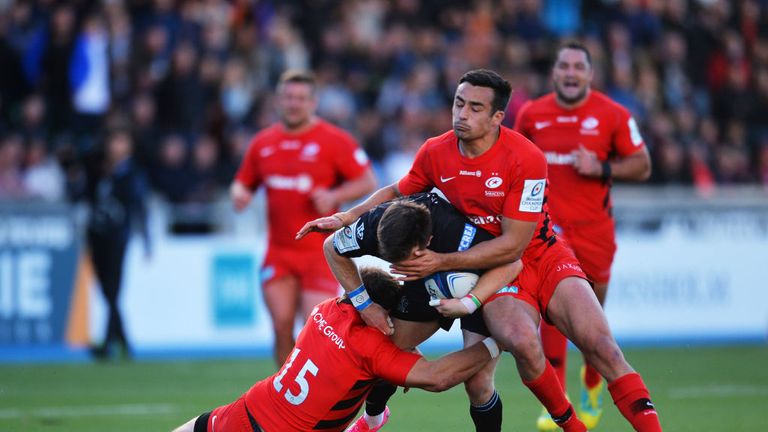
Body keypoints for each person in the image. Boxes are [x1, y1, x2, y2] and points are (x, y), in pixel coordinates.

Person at [299, 69, 661, 432]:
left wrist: (441, 262)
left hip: (534, 256)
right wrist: (347, 215)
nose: (462, 114)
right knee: (497, 343)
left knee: (602, 348)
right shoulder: (436, 151)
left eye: (475, 108)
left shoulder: (526, 157)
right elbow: (398, 191)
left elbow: (514, 247)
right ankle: (373, 419)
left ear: (497, 117)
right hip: (476, 265)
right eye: (459, 104)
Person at [172, 267, 502, 432]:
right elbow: (437, 378)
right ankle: (371, 421)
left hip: (247, 411)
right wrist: (496, 342)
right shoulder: (372, 348)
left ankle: (371, 420)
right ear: (382, 314)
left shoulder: (326, 309)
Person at [514, 42, 652, 431]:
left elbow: (642, 166)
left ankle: (592, 384)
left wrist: (602, 166)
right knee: (553, 319)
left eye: (579, 66)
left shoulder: (612, 115)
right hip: (548, 234)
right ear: (554, 73)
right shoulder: (531, 114)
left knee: (594, 326)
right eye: (564, 66)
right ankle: (557, 404)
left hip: (595, 234)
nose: (571, 73)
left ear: (590, 74)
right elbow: (511, 158)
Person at [323, 194, 520, 432]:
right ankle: (372, 420)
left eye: (406, 260)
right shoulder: (373, 225)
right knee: (384, 352)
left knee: (478, 384)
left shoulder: (462, 233)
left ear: (429, 240)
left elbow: (513, 263)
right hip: (425, 282)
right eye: (393, 260)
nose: (399, 267)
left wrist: (469, 303)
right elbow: (330, 247)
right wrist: (365, 306)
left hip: (483, 282)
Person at [230, 70, 377, 366]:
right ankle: (284, 394)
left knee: (316, 330)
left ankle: (313, 394)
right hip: (279, 253)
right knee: (281, 325)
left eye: (300, 98)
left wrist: (335, 196)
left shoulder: (334, 140)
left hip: (318, 253)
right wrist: (239, 193)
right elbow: (242, 181)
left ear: (313, 103)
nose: (293, 104)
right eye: (288, 98)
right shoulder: (263, 143)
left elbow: (368, 181)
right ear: (278, 101)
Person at [80, 129, 150, 360]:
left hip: (118, 237)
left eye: (122, 141)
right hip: (98, 235)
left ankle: (109, 344)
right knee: (108, 291)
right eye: (113, 141)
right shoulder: (99, 169)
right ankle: (124, 343)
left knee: (112, 289)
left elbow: (138, 206)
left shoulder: (132, 173)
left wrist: (146, 238)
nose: (116, 146)